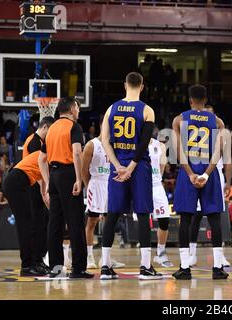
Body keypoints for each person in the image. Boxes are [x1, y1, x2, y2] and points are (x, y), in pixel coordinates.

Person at [100, 72, 161, 280]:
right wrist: (132, 167)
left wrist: (118, 166)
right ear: (142, 86)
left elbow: (104, 140)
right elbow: (144, 142)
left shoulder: (111, 108)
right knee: (143, 214)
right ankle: (145, 267)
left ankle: (105, 267)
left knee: (113, 214)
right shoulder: (147, 110)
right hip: (139, 167)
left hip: (118, 167)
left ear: (125, 84)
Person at [172, 84, 228, 280]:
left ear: (189, 100)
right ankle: (218, 268)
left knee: (186, 219)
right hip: (209, 171)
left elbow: (179, 151)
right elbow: (218, 152)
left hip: (188, 172)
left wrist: (190, 174)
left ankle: (185, 268)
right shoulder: (217, 121)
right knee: (214, 219)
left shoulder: (179, 120)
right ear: (206, 100)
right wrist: (206, 174)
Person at [38, 97, 92, 279]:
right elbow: (77, 152)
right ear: (71, 109)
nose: (79, 110)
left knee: (55, 224)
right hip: (69, 175)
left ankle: (55, 268)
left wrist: (47, 183)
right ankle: (78, 269)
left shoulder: (51, 128)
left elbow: (41, 159)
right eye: (77, 106)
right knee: (76, 222)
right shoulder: (74, 127)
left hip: (54, 176)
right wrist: (79, 179)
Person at [188, 105, 232, 268]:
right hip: (197, 172)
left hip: (215, 176)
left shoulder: (222, 134)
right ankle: (191, 254)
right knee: (196, 216)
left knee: (217, 217)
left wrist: (228, 181)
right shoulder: (192, 133)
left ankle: (220, 256)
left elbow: (227, 159)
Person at [82, 118, 125, 270]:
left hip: (112, 184)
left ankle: (106, 258)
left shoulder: (116, 145)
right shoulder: (91, 145)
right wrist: (89, 188)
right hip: (96, 184)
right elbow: (84, 170)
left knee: (110, 223)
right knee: (92, 222)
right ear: (102, 126)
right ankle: (89, 256)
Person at [3, 150, 49, 276]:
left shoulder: (46, 155)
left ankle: (36, 262)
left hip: (18, 182)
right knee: (25, 225)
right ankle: (27, 266)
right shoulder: (47, 154)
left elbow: (43, 181)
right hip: (15, 182)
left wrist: (45, 196)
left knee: (31, 224)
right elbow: (47, 179)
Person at [22, 116, 55, 272]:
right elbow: (38, 168)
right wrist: (44, 192)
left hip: (36, 185)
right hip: (34, 186)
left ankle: (39, 259)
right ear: (45, 128)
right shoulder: (34, 142)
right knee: (37, 225)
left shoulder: (37, 141)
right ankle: (34, 261)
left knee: (41, 225)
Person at [149, 137, 174, 268]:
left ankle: (161, 252)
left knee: (164, 220)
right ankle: (146, 256)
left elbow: (161, 167)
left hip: (157, 185)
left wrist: (156, 177)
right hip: (141, 186)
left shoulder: (159, 146)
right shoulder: (135, 142)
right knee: (144, 222)